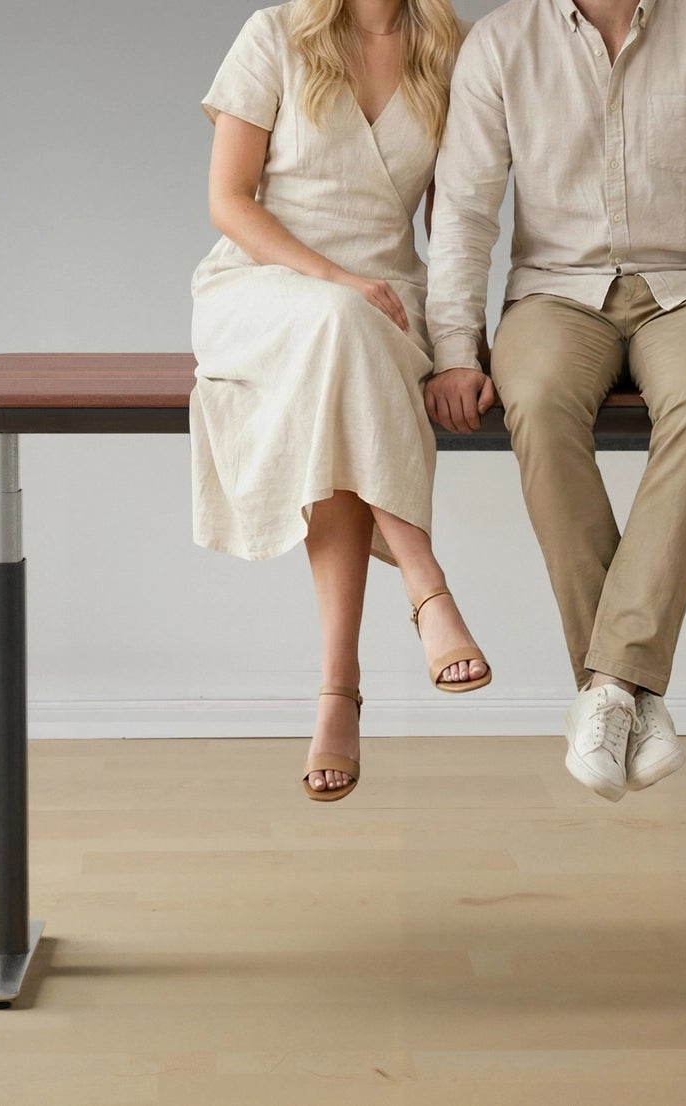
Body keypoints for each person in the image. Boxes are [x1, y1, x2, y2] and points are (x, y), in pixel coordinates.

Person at [425, 0, 686, 801]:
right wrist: (453, 351)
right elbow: (465, 210)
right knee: (531, 397)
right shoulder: (502, 44)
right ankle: (630, 687)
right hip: (554, 292)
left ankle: (607, 687)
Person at [191, 0, 489, 803]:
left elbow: (455, 218)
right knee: (336, 328)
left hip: (387, 307)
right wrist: (333, 279)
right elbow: (228, 200)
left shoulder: (448, 48)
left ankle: (337, 692)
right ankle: (425, 587)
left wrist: (459, 343)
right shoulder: (275, 35)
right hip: (262, 291)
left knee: (345, 359)